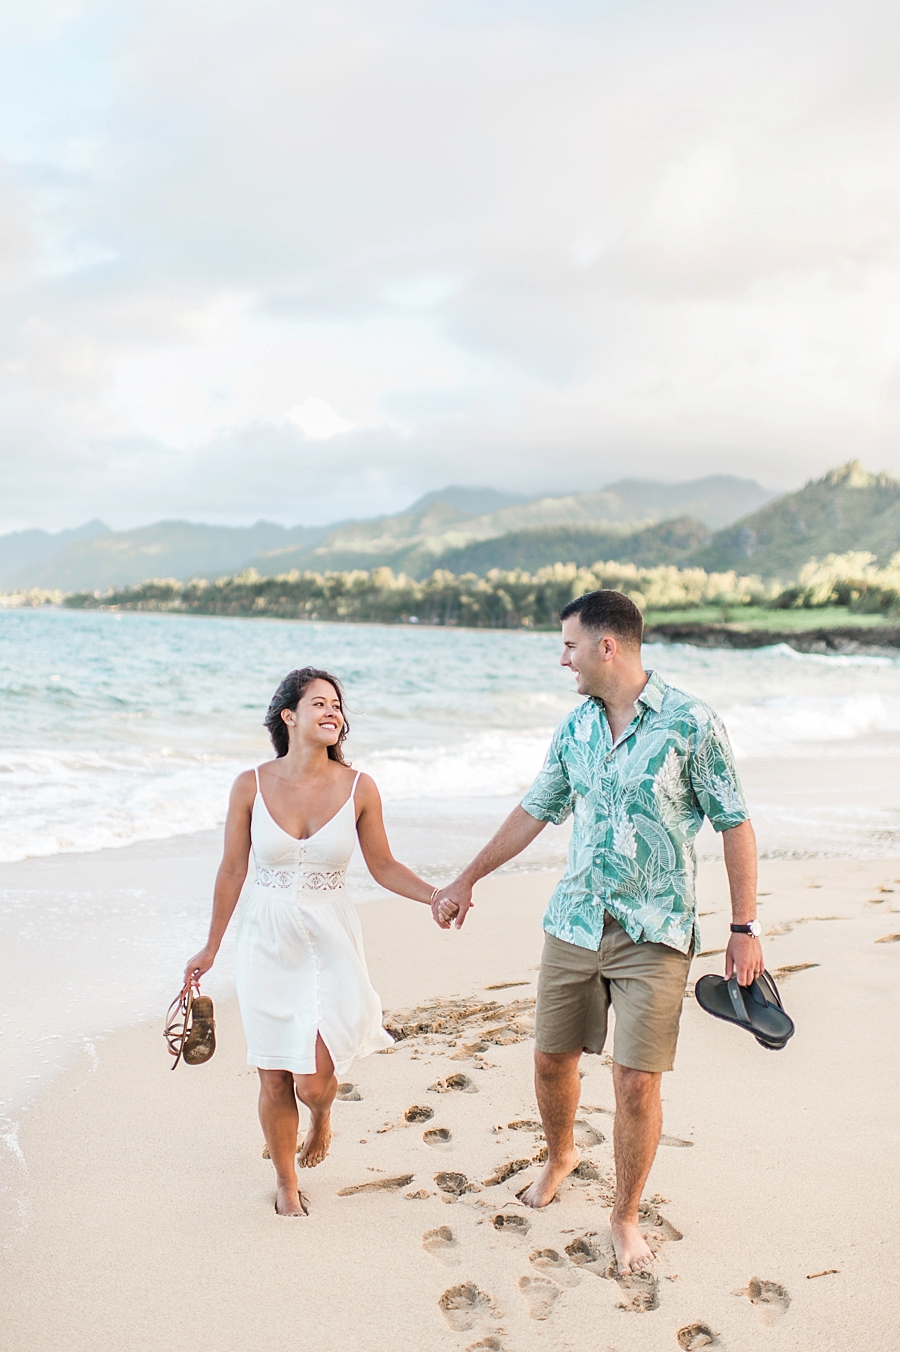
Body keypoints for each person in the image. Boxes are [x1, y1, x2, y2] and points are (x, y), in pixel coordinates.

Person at [433, 590, 762, 1274]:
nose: (563, 660)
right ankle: (561, 1153)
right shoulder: (574, 730)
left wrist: (743, 927)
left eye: (569, 645)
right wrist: (466, 879)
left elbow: (734, 823)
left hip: (656, 931)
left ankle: (625, 1215)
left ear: (606, 646)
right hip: (575, 922)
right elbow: (534, 811)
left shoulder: (691, 723)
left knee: (637, 1084)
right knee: (552, 1060)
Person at [184, 667, 438, 1217]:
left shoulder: (358, 787)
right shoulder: (249, 784)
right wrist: (210, 948)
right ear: (289, 716)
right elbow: (232, 870)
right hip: (265, 940)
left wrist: (437, 896)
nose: (333, 712)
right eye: (319, 703)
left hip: (330, 938)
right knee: (274, 1073)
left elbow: (385, 865)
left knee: (314, 1081)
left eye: (338, 706)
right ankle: (286, 1180)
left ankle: (322, 1115)